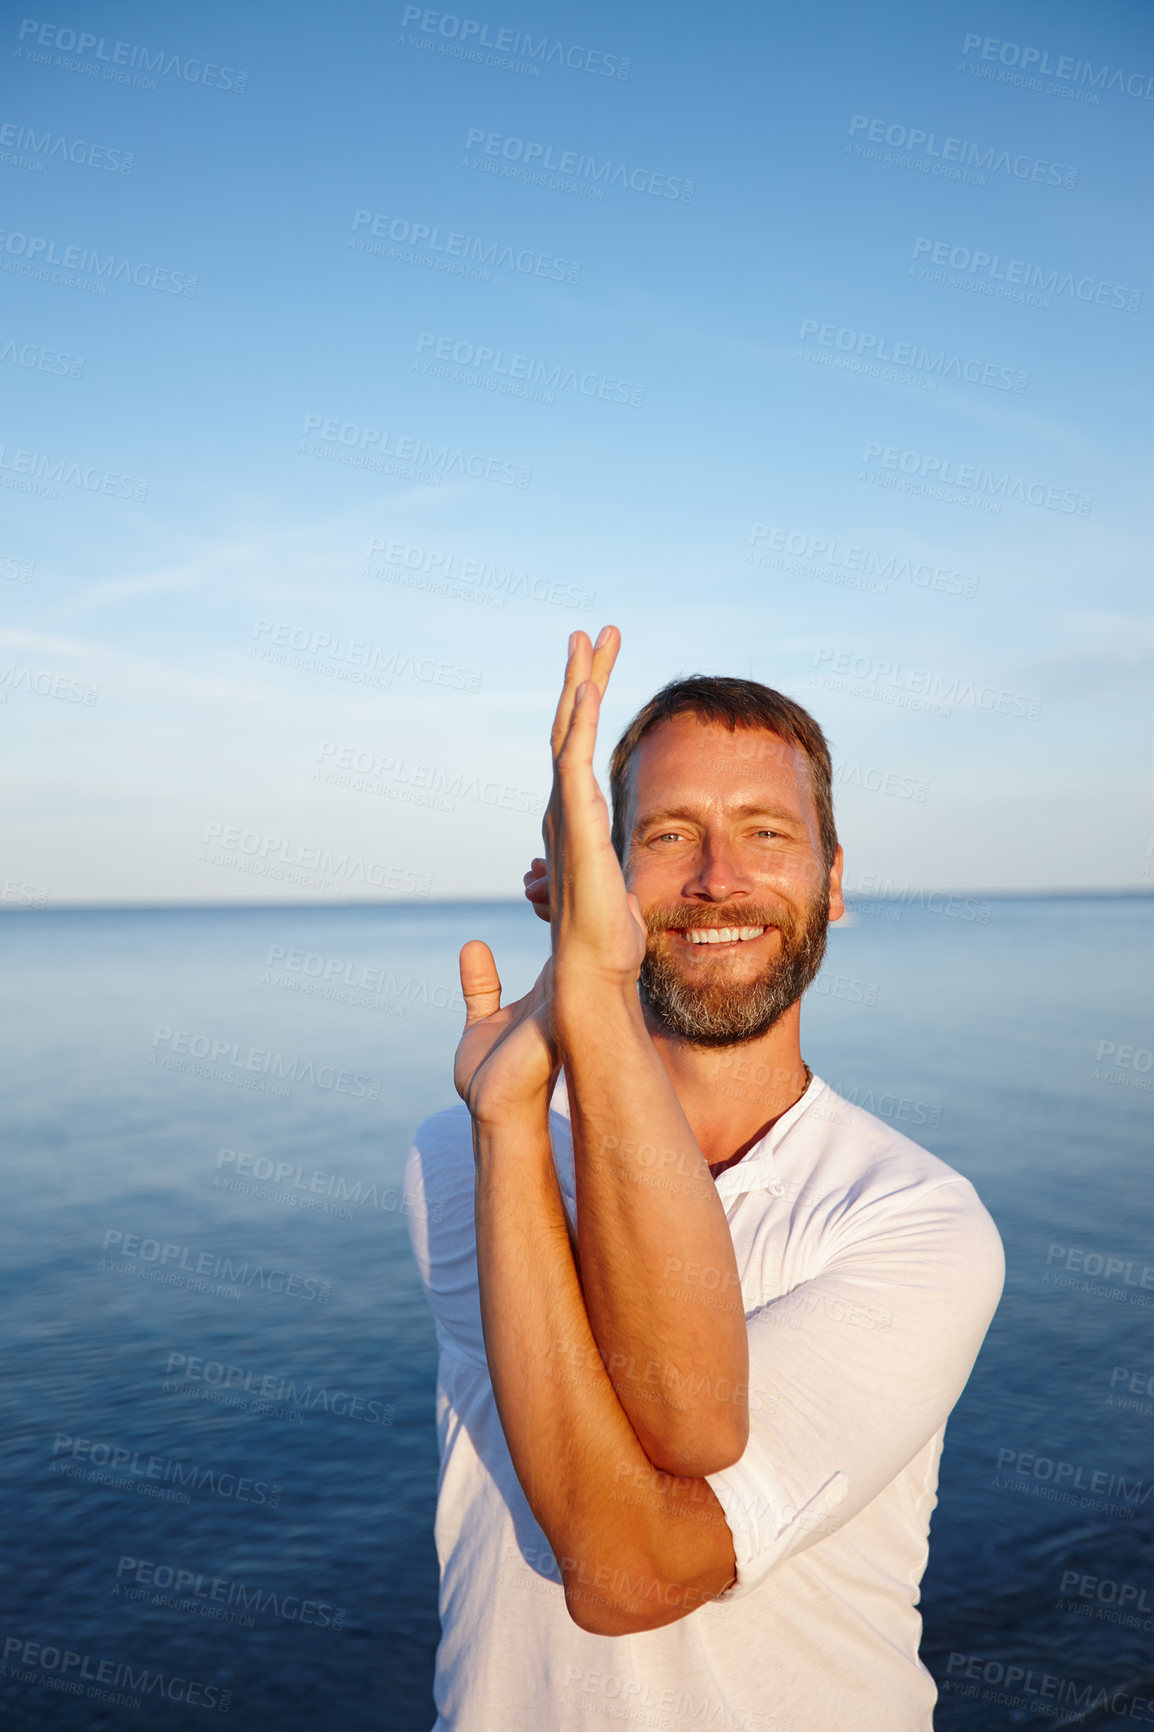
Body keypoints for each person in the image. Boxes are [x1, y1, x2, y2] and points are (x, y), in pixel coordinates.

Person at [404, 626, 1004, 1732]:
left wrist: (585, 991)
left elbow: (635, 1564)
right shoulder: (468, 1149)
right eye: (667, 834)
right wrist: (510, 1108)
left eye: (764, 834)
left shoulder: (914, 1220)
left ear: (830, 885)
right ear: (569, 880)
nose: (717, 880)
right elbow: (671, 1432)